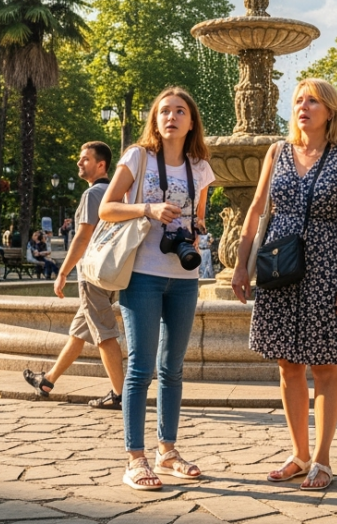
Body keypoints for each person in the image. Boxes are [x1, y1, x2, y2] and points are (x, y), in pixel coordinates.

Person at [230, 79, 337, 491]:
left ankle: (323, 461)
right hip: (279, 263)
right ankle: (299, 454)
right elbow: (256, 211)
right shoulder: (277, 152)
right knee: (287, 364)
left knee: (324, 364)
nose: (303, 107)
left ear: (330, 111)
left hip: (328, 264)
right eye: (298, 101)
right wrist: (241, 265)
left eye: (312, 101)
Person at [98, 87, 215, 491]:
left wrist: (197, 228)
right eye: (164, 111)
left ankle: (168, 451)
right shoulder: (138, 157)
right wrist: (148, 208)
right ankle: (135, 458)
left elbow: (199, 218)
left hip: (183, 277)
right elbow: (107, 208)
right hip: (143, 273)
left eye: (180, 111)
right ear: (155, 118)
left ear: (191, 120)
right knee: (141, 369)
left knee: (173, 368)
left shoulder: (200, 167)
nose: (171, 117)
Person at [23, 141, 128, 411]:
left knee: (104, 333)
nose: (79, 163)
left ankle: (121, 395)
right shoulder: (121, 193)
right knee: (79, 332)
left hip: (92, 273)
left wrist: (63, 273)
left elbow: (82, 237)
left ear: (101, 165)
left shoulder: (93, 195)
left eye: (85, 159)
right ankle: (47, 381)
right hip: (112, 270)